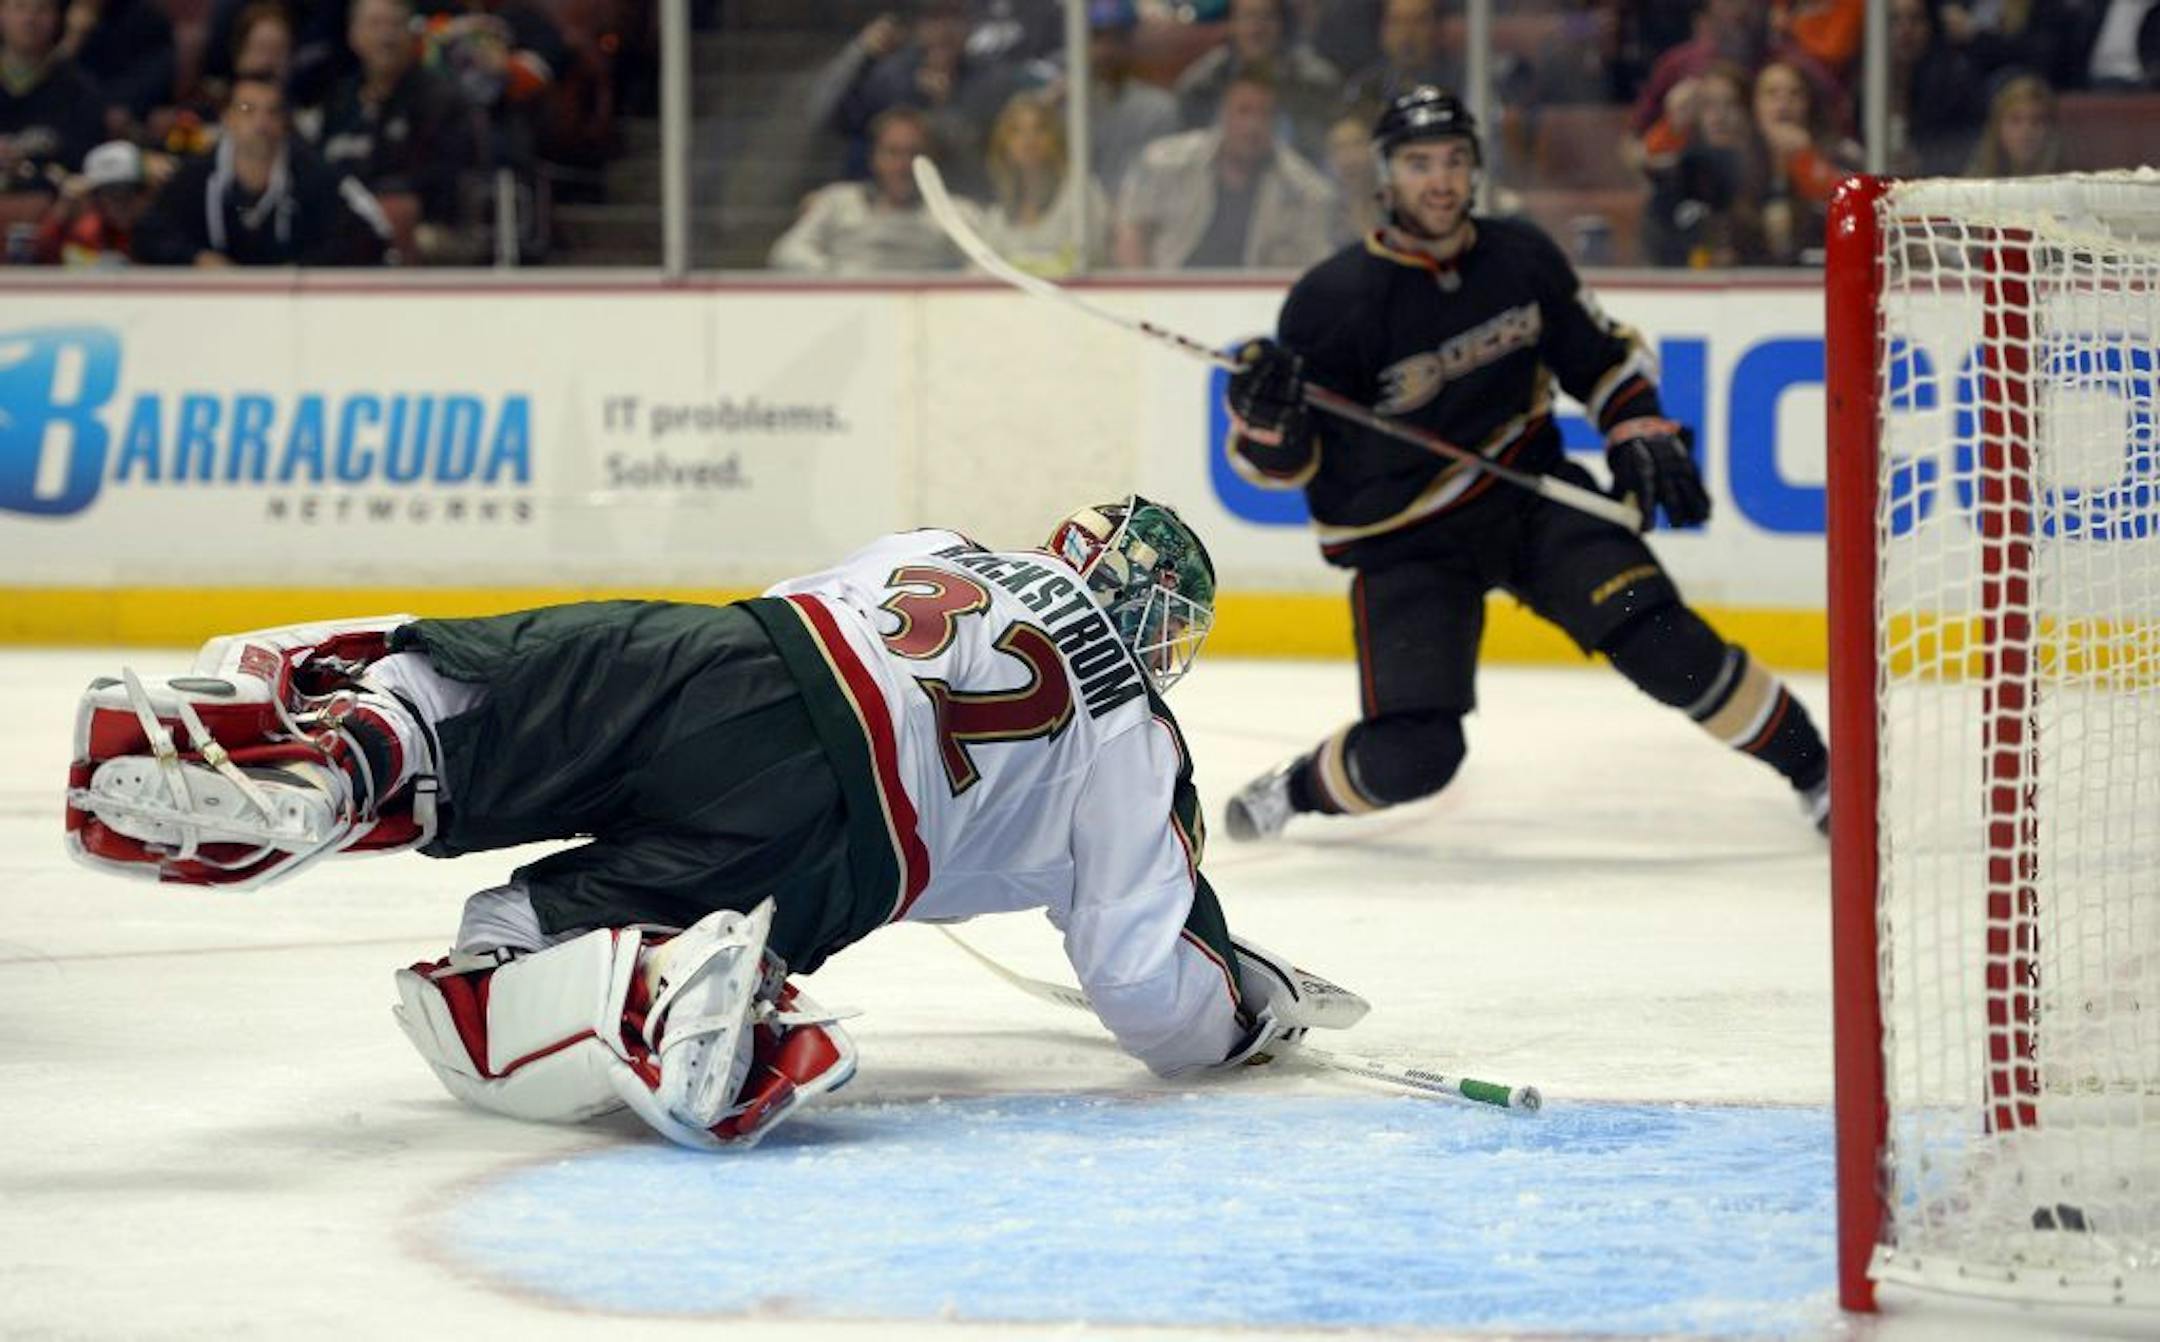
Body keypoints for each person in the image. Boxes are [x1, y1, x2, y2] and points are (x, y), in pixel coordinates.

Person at [66, 498, 1329, 1151]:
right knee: (502, 940)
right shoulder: (1140, 740)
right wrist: (1252, 1015)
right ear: (1165, 633)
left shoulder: (941, 543)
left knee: (466, 696)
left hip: (719, 654)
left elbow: (836, 620)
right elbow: (1146, 983)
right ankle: (659, 990)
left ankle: (336, 757)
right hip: (823, 842)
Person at [1217, 87, 1830, 844]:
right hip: (1403, 538)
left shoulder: (1519, 257)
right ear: (1385, 176)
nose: (1439, 180)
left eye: (1453, 160)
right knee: (1416, 755)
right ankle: (1296, 788)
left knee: (1669, 647)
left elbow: (1599, 358)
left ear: (1475, 167)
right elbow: (1282, 468)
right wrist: (1266, 422)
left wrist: (1636, 421)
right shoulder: (1330, 301)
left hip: (1526, 494)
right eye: (1418, 163)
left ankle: (1820, 774)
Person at [133, 72, 393, 266]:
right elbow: (149, 235)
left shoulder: (315, 176)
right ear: (228, 117)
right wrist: (196, 258)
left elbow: (366, 237)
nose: (261, 122)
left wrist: (302, 270)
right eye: (248, 110)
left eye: (272, 112)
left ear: (284, 123)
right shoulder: (194, 178)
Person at [1113, 70, 1335, 271]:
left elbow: (1314, 265)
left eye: (1264, 114)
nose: (1253, 126)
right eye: (1243, 111)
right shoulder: (1163, 162)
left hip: (1257, 303)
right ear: (1223, 115)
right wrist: (1143, 296)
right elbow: (1130, 232)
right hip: (1167, 294)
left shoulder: (1305, 190)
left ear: (1277, 122)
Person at [768, 105, 963, 274]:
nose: (903, 165)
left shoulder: (955, 212)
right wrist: (838, 276)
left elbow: (983, 265)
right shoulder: (837, 201)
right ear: (874, 157)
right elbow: (787, 252)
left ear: (930, 160)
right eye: (893, 152)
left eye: (913, 153)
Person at [980, 88, 1108, 276]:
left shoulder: (1081, 195)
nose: (1028, 139)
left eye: (1039, 129)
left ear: (1055, 137)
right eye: (1016, 131)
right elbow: (984, 268)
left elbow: (1087, 259)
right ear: (1003, 143)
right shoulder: (998, 214)